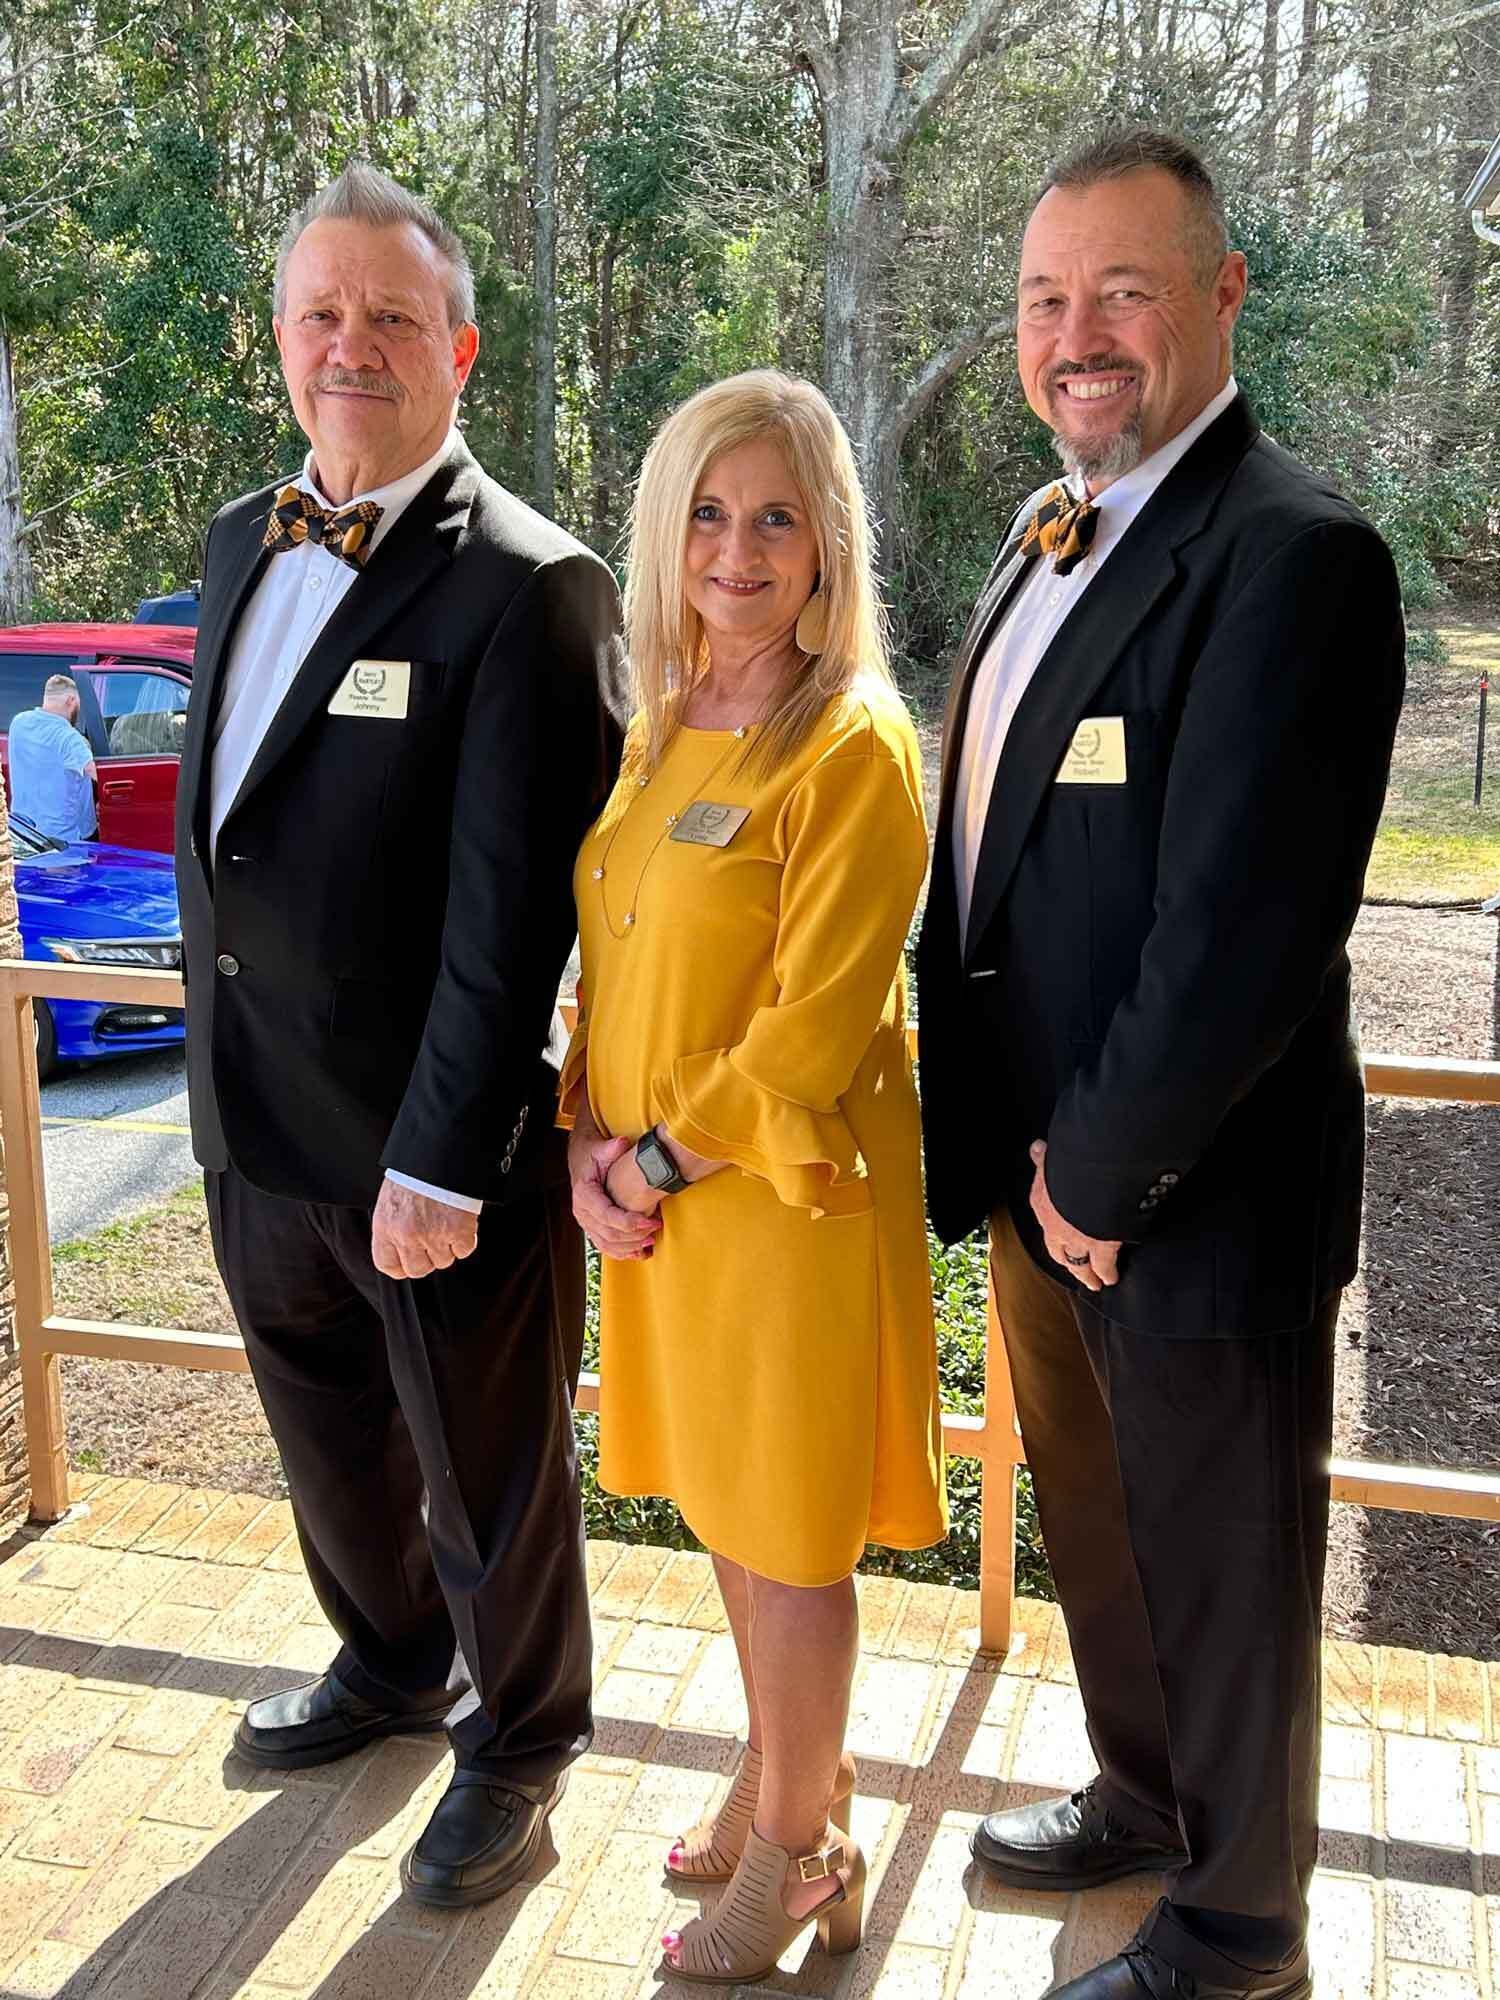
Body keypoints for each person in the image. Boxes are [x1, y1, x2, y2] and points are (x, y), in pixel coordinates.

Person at [918, 132, 1405, 2000]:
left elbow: (1240, 935)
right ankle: (1140, 1792)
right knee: (1104, 1538)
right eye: (1048, 301)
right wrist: (1031, 1178)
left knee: (1227, 1566)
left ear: (1219, 295)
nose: (1078, 336)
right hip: (1051, 1187)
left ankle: (1240, 1925)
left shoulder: (1294, 554)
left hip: (1186, 1200)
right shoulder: (1053, 536)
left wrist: (1101, 1179)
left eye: (1123, 290)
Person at [174, 163, 626, 1908]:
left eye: (389, 316)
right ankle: (384, 1663)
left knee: (487, 1476)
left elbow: (518, 916)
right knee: (326, 1440)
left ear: (462, 348)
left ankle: (518, 1742)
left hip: (428, 1152)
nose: (349, 345)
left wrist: (445, 1159)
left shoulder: (531, 586)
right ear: (281, 339)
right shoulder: (235, 538)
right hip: (253, 1123)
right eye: (320, 314)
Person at [561, 370, 947, 1985]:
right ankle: (795, 1779)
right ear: (667, 538)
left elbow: (806, 1034)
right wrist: (583, 1133)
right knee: (728, 1510)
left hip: (777, 1213)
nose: (738, 548)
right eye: (709, 514)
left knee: (790, 1541)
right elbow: (614, 943)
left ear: (824, 544)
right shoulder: (662, 720)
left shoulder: (848, 743)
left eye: (776, 515)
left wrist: (641, 1156)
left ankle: (797, 1856)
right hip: (662, 1205)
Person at [9, 675, 98, 842]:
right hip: (64, 841)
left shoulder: (18, 723)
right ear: (71, 700)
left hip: (24, 836)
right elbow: (101, 775)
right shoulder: (69, 738)